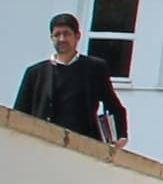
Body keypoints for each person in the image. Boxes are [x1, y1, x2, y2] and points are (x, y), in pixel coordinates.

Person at [11, 11, 128, 143]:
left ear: (77, 36)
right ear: (51, 38)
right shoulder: (35, 73)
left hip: (83, 143)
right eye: (57, 35)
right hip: (43, 142)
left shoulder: (95, 68)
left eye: (66, 34)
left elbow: (112, 104)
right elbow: (20, 112)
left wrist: (120, 135)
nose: (61, 39)